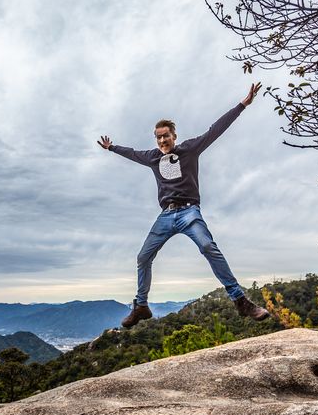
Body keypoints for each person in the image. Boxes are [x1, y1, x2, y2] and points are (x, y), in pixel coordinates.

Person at [97, 83, 271, 328]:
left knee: (208, 246)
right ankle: (141, 306)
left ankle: (241, 301)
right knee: (143, 257)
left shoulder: (189, 149)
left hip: (189, 212)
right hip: (166, 216)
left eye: (166, 135)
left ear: (174, 136)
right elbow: (132, 153)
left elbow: (215, 130)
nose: (162, 140)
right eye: (158, 137)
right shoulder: (152, 157)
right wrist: (111, 147)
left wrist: (242, 105)